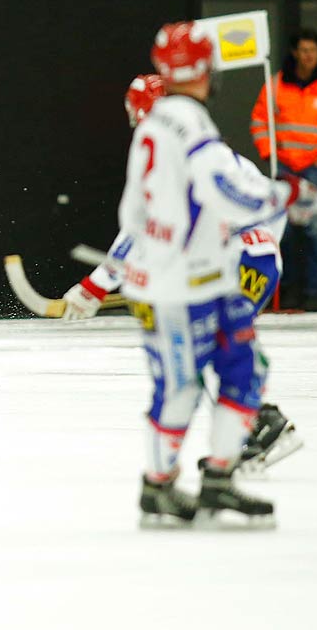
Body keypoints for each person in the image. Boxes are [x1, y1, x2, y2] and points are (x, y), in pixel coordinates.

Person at [116, 23, 317, 528]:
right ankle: (166, 486)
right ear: (206, 70)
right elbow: (226, 192)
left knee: (224, 372)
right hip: (184, 283)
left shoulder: (154, 124)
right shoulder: (192, 126)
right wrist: (285, 197)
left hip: (192, 278)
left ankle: (201, 480)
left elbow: (137, 215)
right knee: (192, 384)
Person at [59, 74, 304, 475]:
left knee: (199, 353)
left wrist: (93, 287)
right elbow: (263, 212)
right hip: (253, 261)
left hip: (234, 266)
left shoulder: (175, 153)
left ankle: (263, 429)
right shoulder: (207, 147)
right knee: (215, 352)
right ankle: (255, 431)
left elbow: (139, 233)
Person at [250, 28, 317, 311]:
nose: (309, 56)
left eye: (313, 50)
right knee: (282, 231)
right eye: (304, 50)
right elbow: (260, 122)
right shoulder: (275, 85)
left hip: (315, 169)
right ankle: (288, 289)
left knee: (315, 232)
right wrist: (269, 153)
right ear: (295, 53)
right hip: (284, 167)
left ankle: (313, 293)